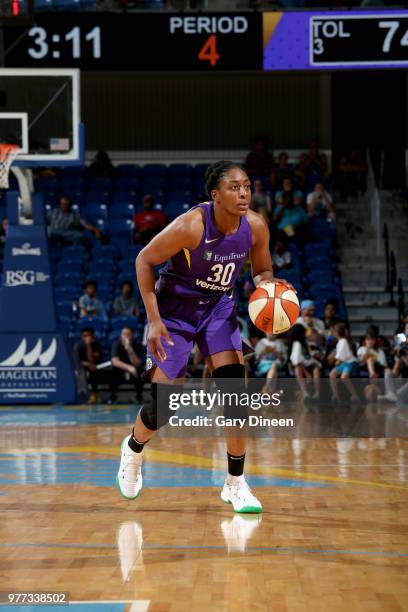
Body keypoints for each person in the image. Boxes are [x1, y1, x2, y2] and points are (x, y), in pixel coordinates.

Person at [116, 160, 294, 513]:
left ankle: (235, 483)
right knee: (164, 405)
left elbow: (261, 270)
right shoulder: (190, 226)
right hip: (174, 311)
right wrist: (153, 320)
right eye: (233, 187)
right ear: (215, 194)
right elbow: (143, 260)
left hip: (218, 307)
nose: (243, 193)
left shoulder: (256, 226)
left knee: (235, 396)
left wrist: (268, 290)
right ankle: (133, 450)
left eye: (246, 185)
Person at [110, 327, 144, 403]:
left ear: (132, 336)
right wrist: (129, 368)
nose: (126, 336)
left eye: (128, 334)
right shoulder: (116, 344)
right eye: (124, 334)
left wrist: (129, 348)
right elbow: (115, 361)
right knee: (113, 371)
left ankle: (139, 396)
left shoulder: (137, 344)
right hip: (122, 367)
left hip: (134, 367)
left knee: (140, 371)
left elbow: (137, 363)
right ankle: (113, 397)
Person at [289, 324, 321, 400]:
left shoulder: (304, 342)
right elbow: (297, 362)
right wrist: (307, 373)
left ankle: (317, 392)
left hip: (307, 363)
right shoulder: (297, 344)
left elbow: (308, 357)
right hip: (299, 365)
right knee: (298, 369)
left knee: (316, 369)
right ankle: (305, 392)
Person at [329, 322, 359, 403]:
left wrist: (336, 362)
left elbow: (340, 358)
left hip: (349, 363)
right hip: (343, 363)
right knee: (332, 375)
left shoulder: (343, 341)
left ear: (337, 333)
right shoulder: (340, 341)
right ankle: (335, 394)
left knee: (344, 378)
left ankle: (354, 394)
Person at [73, 327, 103, 404]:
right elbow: (77, 361)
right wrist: (89, 365)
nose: (87, 337)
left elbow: (93, 359)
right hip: (82, 367)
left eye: (89, 335)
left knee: (95, 373)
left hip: (95, 366)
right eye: (85, 335)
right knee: (81, 373)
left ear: (93, 336)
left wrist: (88, 346)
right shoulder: (77, 346)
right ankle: (82, 396)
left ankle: (94, 395)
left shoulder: (97, 345)